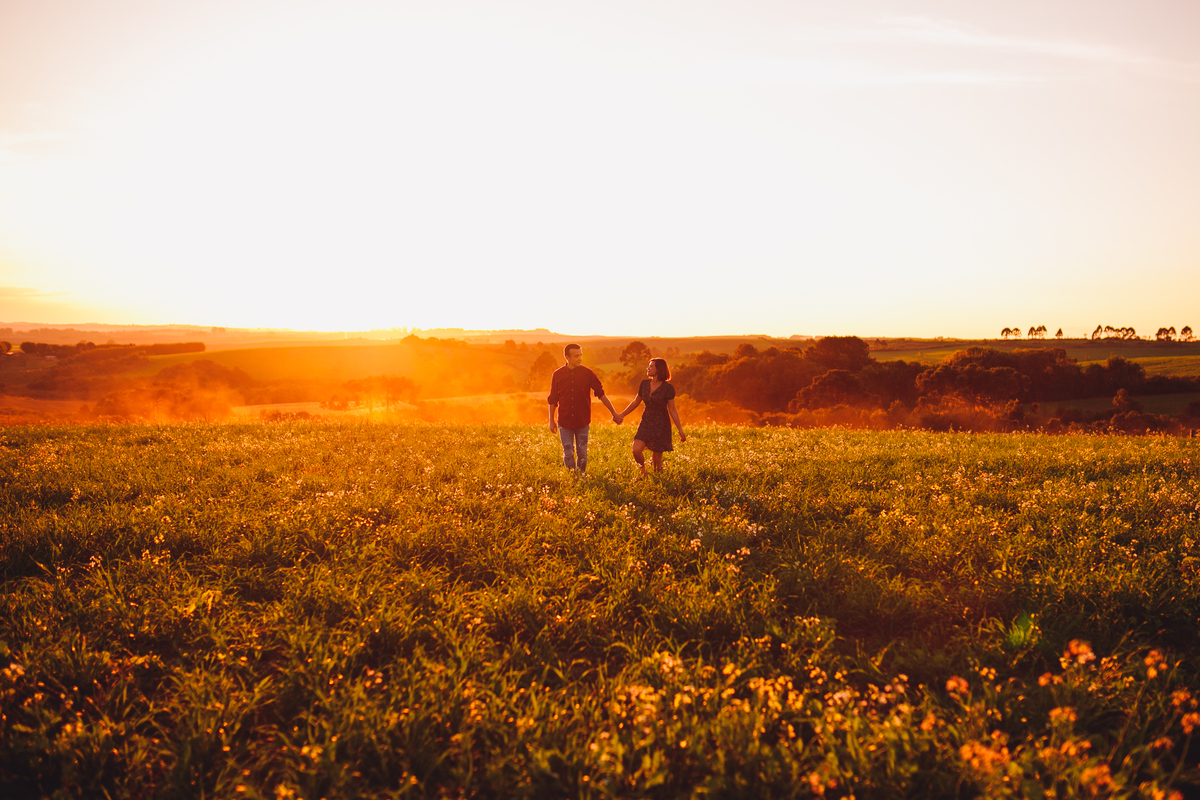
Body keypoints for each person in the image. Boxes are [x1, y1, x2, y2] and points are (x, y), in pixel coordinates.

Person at [547, 343, 620, 473]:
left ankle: (581, 477)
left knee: (582, 453)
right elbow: (552, 399)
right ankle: (572, 478)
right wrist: (551, 420)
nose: (580, 358)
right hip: (564, 420)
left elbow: (601, 394)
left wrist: (614, 413)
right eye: (576, 356)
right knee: (568, 451)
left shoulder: (588, 374)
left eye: (581, 355)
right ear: (567, 357)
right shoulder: (557, 375)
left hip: (582, 421)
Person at [615, 357, 686, 475]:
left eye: (651, 366)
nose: (648, 368)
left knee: (657, 461)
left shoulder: (668, 388)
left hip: (661, 425)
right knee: (636, 450)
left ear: (659, 369)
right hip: (646, 422)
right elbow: (635, 402)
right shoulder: (644, 384)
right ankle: (643, 470)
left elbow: (672, 409)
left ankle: (659, 484)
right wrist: (622, 414)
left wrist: (680, 429)